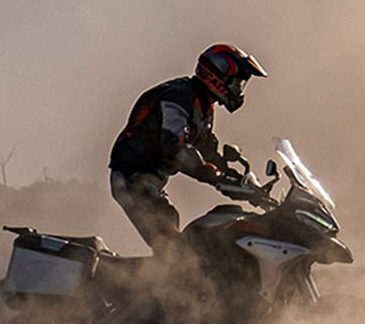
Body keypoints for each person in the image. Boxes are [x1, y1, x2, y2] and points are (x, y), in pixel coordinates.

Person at [108, 43, 266, 249]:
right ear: (218, 76)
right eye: (237, 83)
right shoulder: (179, 96)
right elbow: (174, 147)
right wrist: (207, 172)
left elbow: (209, 152)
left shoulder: (203, 106)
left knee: (187, 244)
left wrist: (241, 183)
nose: (239, 90)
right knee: (174, 252)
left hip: (149, 184)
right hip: (133, 179)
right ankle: (130, 281)